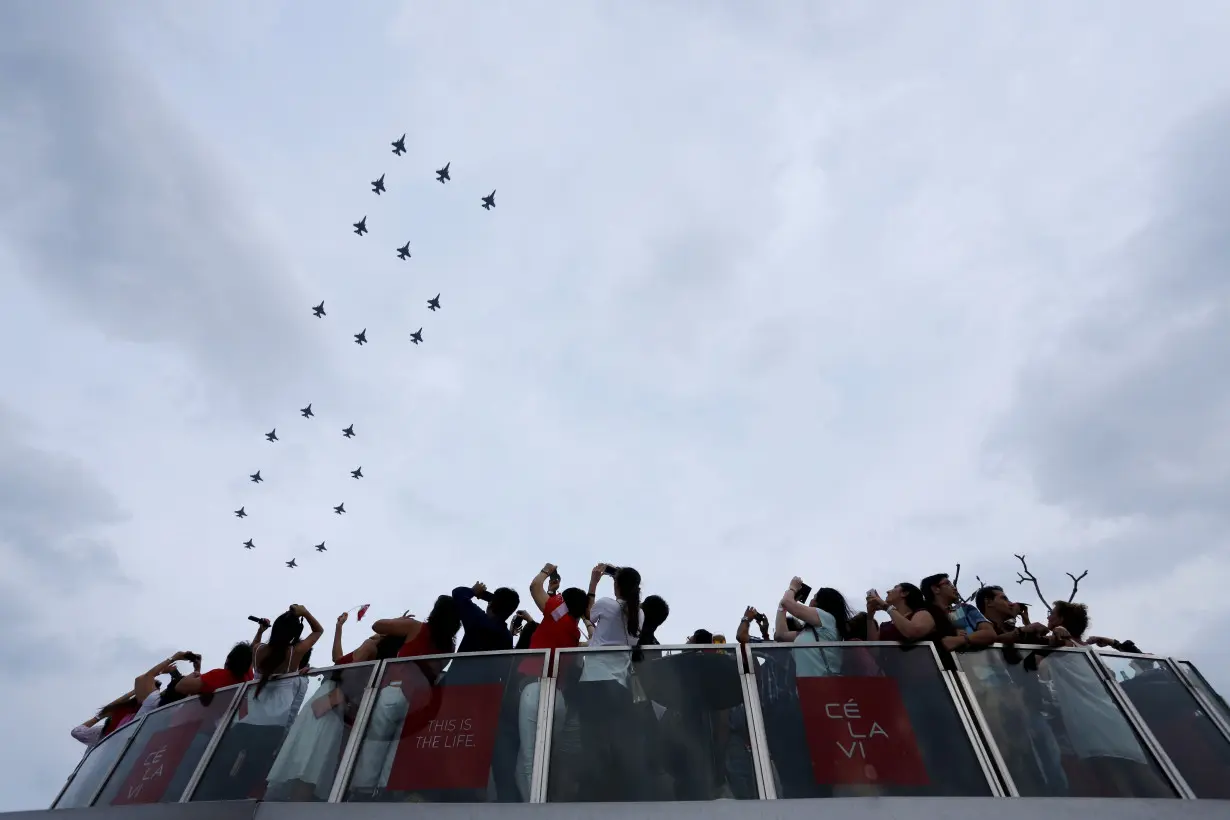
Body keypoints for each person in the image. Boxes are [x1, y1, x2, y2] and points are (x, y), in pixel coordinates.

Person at [193, 606, 323, 801]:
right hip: (272, 728)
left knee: (217, 774)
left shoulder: (258, 651)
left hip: (245, 723)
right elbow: (318, 631)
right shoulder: (294, 655)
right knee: (248, 780)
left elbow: (253, 645)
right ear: (295, 634)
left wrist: (261, 630)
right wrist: (305, 612)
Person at [349, 597, 462, 800]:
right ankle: (384, 794)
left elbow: (377, 625)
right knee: (395, 750)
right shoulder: (448, 647)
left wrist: (399, 620)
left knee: (375, 743)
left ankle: (362, 794)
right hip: (418, 701)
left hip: (396, 689)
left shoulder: (415, 627)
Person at [514, 563, 587, 800]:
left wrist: (546, 571)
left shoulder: (557, 612)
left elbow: (535, 587)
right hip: (559, 698)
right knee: (541, 762)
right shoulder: (574, 631)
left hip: (536, 690)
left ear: (565, 603)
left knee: (530, 763)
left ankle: (534, 812)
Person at [574, 563, 646, 801]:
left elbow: (588, 613)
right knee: (614, 742)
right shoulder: (640, 614)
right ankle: (614, 795)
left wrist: (594, 581)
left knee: (591, 743)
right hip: (620, 687)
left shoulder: (607, 604)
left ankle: (591, 796)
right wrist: (618, 574)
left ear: (616, 585)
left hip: (595, 681)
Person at [778, 577, 851, 677]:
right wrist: (782, 606)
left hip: (823, 686)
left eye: (814, 597)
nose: (811, 600)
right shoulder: (811, 632)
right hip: (808, 687)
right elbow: (781, 635)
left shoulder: (828, 619)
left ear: (821, 603)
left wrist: (793, 587)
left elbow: (788, 602)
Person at [920, 573, 998, 654]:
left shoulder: (964, 609)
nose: (954, 587)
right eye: (947, 583)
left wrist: (961, 639)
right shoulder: (923, 615)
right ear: (936, 589)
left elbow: (990, 634)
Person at [452, 581, 520, 653]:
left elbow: (458, 593)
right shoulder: (507, 637)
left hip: (463, 664)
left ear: (491, 604)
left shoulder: (478, 620)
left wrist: (473, 591)